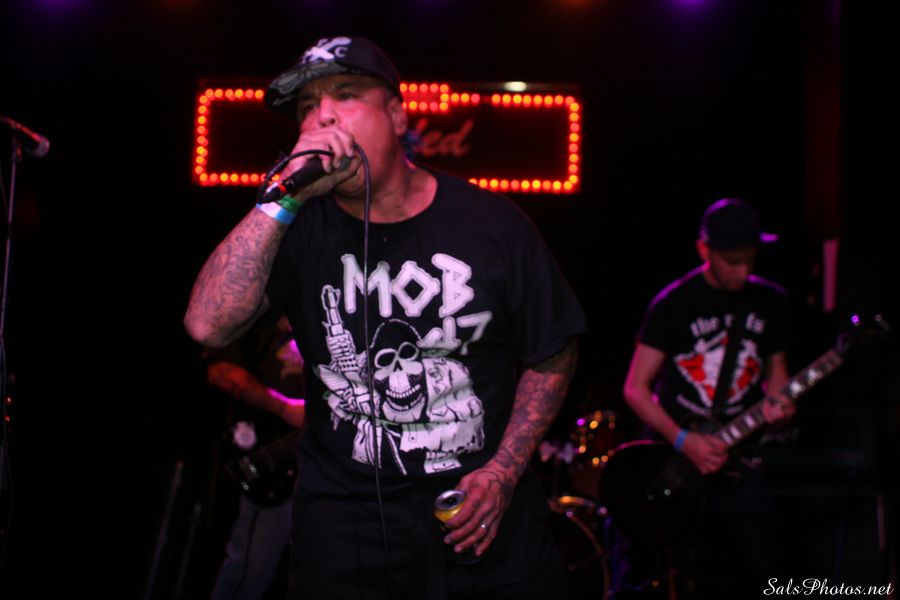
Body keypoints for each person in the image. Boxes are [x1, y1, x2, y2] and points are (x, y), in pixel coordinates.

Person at [184, 36, 587, 599]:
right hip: (343, 533)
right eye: (307, 107)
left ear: (397, 116)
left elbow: (553, 350)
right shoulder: (294, 229)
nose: (323, 116)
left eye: (346, 94)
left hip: (482, 522)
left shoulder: (492, 223)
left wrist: (503, 469)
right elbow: (207, 326)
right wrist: (279, 200)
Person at [615, 198, 796, 599]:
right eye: (732, 262)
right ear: (704, 250)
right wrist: (683, 440)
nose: (743, 271)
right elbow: (635, 388)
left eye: (750, 261)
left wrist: (782, 409)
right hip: (672, 460)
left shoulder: (771, 302)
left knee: (766, 569)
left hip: (738, 456)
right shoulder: (673, 304)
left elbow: (777, 380)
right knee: (643, 575)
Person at [204, 312, 305, 600]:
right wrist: (286, 409)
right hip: (270, 460)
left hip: (323, 471)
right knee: (249, 571)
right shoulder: (255, 310)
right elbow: (220, 371)